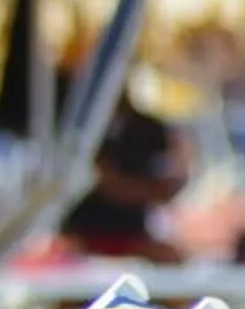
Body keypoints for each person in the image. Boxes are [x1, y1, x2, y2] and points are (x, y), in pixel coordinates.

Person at [60, 91, 189, 265]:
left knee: (172, 259)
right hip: (84, 233)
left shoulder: (150, 129)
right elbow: (105, 182)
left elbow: (168, 185)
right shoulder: (81, 128)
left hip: (130, 233)